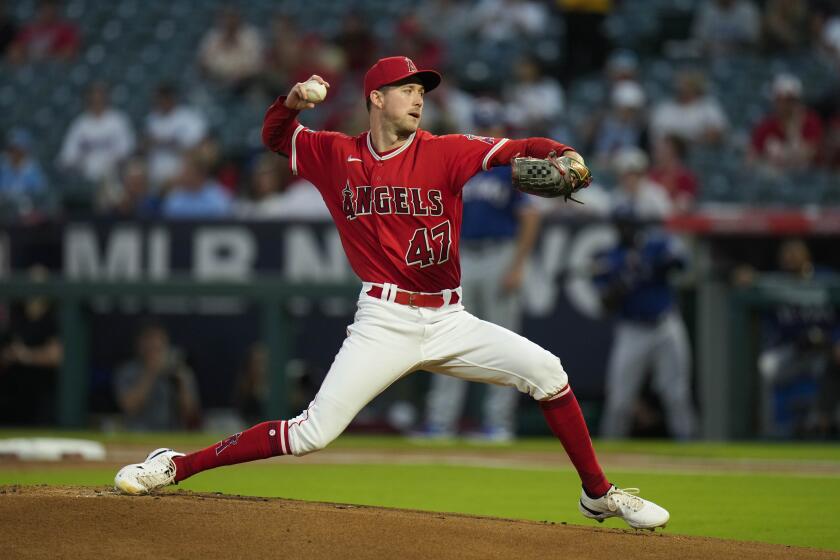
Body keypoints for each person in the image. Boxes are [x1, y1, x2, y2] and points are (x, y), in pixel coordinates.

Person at [114, 56, 670, 530]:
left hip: (451, 319)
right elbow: (273, 137)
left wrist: (564, 152)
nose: (418, 98)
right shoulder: (334, 154)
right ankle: (176, 465)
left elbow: (518, 147)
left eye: (422, 90)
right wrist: (293, 100)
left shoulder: (444, 151)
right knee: (311, 434)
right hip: (384, 319)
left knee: (549, 373)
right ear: (375, 98)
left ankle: (597, 494)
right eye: (406, 89)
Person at [417, 99, 542, 443]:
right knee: (447, 336)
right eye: (482, 127)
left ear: (502, 130)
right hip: (463, 257)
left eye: (492, 128)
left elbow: (531, 216)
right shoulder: (462, 164)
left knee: (503, 340)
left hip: (500, 253)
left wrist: (518, 265)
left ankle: (498, 423)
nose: (487, 134)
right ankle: (441, 421)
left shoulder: (514, 166)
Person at [593, 215, 697, 440]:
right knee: (620, 399)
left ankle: (688, 445)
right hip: (632, 329)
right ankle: (608, 451)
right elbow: (604, 304)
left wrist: (652, 264)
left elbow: (681, 262)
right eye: (621, 225)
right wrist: (622, 282)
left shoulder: (657, 244)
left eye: (629, 224)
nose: (626, 230)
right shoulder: (610, 257)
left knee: (676, 393)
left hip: (665, 325)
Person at [0, 265, 62, 425]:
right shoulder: (15, 317)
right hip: (13, 396)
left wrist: (26, 356)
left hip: (42, 397)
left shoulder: (54, 318)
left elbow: (56, 355)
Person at [114, 321, 201, 432]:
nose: (153, 346)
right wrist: (151, 371)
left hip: (172, 437)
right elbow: (129, 407)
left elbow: (191, 414)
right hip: (138, 436)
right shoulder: (126, 371)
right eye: (148, 341)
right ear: (139, 344)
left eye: (158, 341)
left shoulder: (180, 370)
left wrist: (181, 382)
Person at [57, 82, 135, 185]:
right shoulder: (80, 123)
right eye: (93, 99)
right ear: (88, 100)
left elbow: (128, 149)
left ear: (106, 98)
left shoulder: (117, 119)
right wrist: (79, 164)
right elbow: (67, 155)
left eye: (100, 98)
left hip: (114, 176)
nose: (97, 101)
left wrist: (112, 163)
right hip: (85, 179)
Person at [748, 74, 823, 175]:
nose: (784, 105)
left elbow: (809, 154)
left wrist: (794, 128)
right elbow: (750, 160)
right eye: (780, 99)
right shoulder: (766, 125)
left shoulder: (810, 121)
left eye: (789, 100)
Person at [144, 83, 208, 189]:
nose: (161, 102)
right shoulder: (152, 119)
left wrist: (168, 142)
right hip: (156, 172)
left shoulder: (187, 117)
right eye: (159, 99)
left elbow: (199, 144)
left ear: (171, 98)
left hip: (181, 172)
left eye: (164, 98)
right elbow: (145, 145)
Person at [161, 152, 232, 219]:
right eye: (183, 171)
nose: (183, 175)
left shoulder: (219, 196)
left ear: (200, 174)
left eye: (188, 172)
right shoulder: (175, 196)